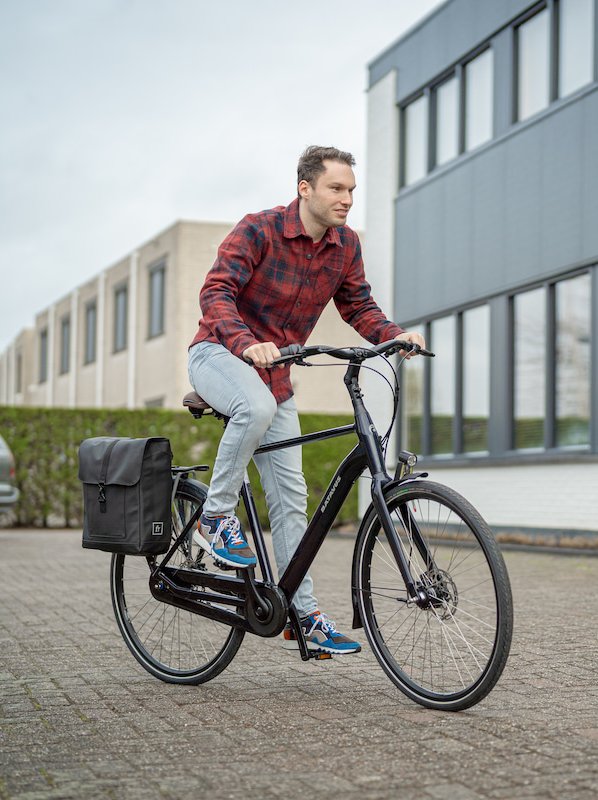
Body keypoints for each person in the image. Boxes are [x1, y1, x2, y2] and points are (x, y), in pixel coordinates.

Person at [187, 145, 425, 656]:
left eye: (352, 191)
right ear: (306, 188)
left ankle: (304, 613)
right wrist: (245, 342)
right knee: (256, 406)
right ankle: (214, 515)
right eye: (337, 188)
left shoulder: (345, 246)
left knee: (292, 498)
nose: (347, 199)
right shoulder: (259, 229)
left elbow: (357, 303)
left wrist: (393, 335)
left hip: (274, 376)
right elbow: (216, 292)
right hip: (217, 354)